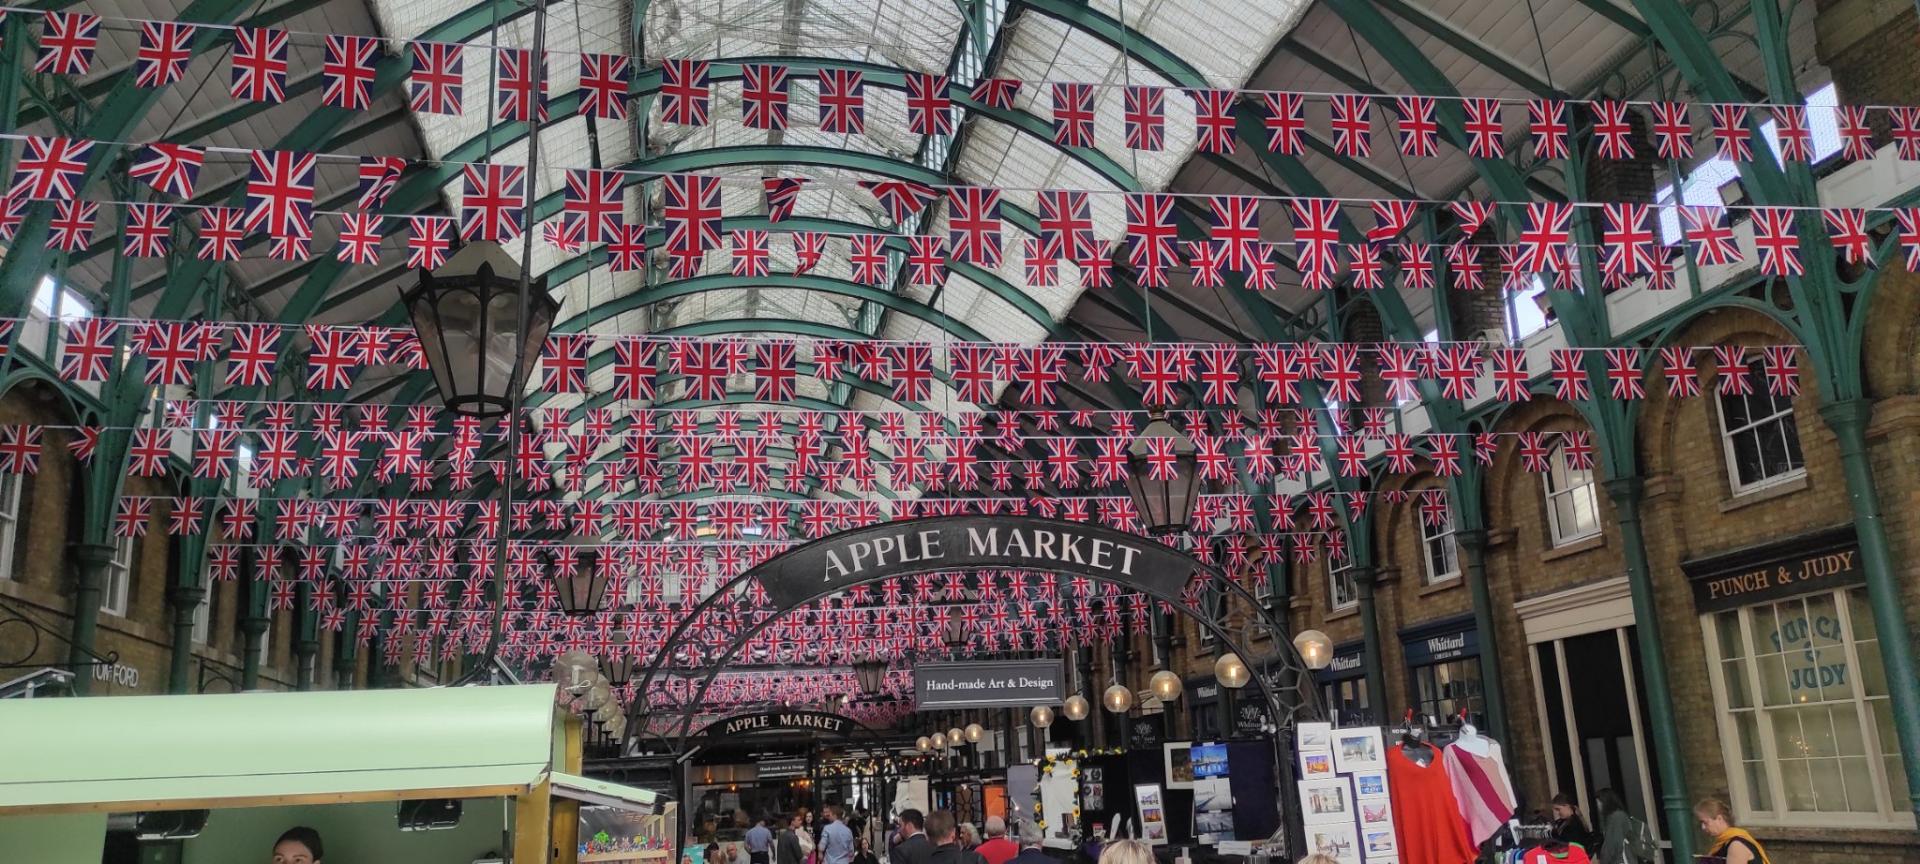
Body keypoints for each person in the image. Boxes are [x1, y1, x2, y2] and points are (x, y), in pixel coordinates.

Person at [1696, 798, 1771, 864]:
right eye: (1701, 823)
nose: (1703, 827)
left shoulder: (1736, 845)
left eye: (1705, 822)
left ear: (1719, 819)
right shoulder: (1724, 842)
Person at [1593, 788, 1654, 864]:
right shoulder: (1619, 816)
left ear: (1606, 802)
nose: (1598, 806)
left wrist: (1602, 860)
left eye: (1599, 802)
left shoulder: (1615, 818)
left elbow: (1612, 844)